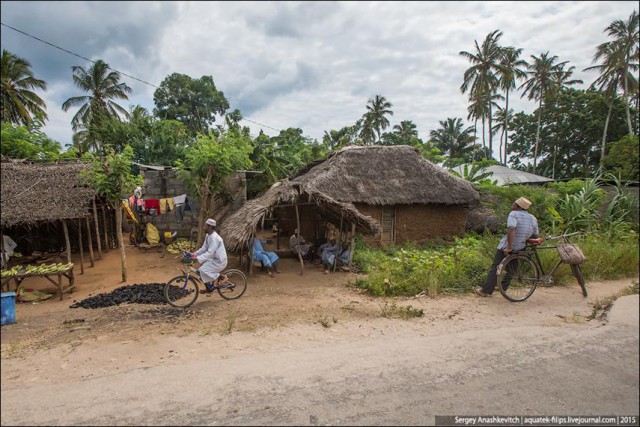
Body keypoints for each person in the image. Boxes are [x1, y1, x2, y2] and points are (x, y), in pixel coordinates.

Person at [475, 197, 539, 297]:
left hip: (506, 247)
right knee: (512, 270)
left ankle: (485, 291)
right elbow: (535, 235)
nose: (511, 206)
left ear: (518, 206)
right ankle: (502, 287)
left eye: (513, 204)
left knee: (495, 267)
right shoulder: (533, 218)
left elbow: (511, 229)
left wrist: (509, 247)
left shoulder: (513, 214)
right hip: (520, 247)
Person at [188, 218, 228, 292]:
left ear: (210, 227)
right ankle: (209, 288)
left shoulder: (214, 238)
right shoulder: (208, 235)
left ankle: (222, 277)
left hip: (220, 261)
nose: (204, 227)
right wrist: (195, 254)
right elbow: (204, 248)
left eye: (205, 226)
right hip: (214, 259)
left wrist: (198, 258)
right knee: (200, 271)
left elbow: (210, 252)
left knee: (203, 271)